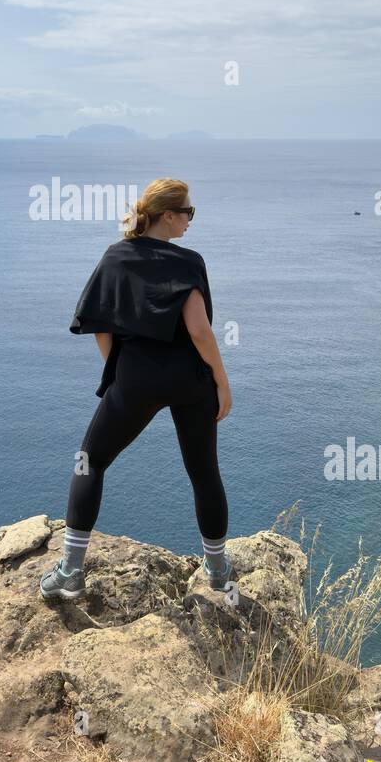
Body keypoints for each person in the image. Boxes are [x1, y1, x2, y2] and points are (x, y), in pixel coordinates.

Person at [40, 178, 234, 601]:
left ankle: (71, 571)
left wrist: (121, 371)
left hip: (137, 379)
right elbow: (199, 331)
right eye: (188, 213)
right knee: (203, 472)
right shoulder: (189, 262)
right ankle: (218, 571)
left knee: (90, 462)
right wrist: (221, 380)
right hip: (191, 381)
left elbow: (99, 326)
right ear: (168, 215)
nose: (190, 220)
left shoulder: (116, 257)